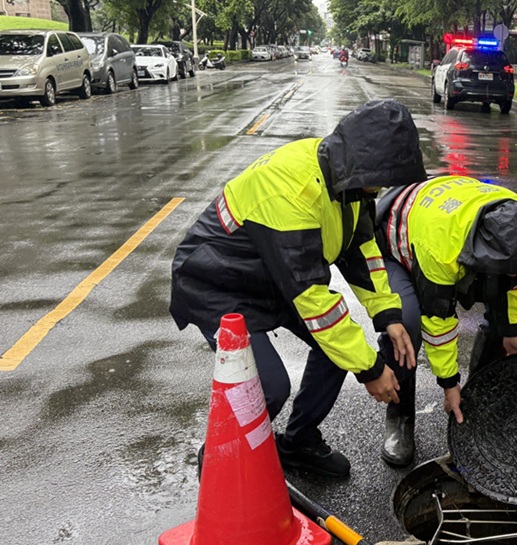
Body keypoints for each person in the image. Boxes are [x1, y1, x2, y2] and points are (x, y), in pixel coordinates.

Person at [170, 99, 426, 478]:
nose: (384, 186)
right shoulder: (292, 190)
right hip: (219, 280)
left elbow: (362, 252)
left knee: (337, 349)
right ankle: (219, 471)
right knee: (268, 388)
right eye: (383, 176)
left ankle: (298, 443)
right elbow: (312, 299)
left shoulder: (349, 183)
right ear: (363, 162)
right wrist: (371, 369)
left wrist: (388, 316)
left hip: (274, 278)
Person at [372, 175, 517, 466]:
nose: (513, 276)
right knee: (406, 322)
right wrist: (449, 384)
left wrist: (510, 331)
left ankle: (477, 393)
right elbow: (439, 320)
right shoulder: (441, 248)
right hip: (399, 242)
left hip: (452, 226)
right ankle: (400, 414)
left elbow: (515, 280)